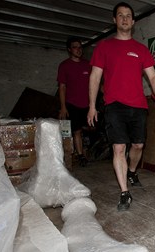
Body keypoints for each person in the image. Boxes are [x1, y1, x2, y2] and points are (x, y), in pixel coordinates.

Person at [87, 2, 155, 211]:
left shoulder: (140, 49)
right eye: (120, 15)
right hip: (114, 105)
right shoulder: (104, 47)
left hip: (138, 105)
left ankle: (132, 171)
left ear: (133, 21)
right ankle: (124, 192)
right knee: (119, 147)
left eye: (128, 15)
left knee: (138, 145)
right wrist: (92, 106)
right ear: (115, 20)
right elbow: (95, 77)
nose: (124, 19)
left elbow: (153, 75)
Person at [57, 36, 91, 167]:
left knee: (89, 128)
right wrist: (63, 107)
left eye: (80, 47)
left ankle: (86, 151)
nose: (78, 49)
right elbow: (62, 87)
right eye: (75, 47)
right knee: (77, 130)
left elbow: (95, 83)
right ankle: (81, 155)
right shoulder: (64, 66)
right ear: (69, 50)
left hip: (88, 104)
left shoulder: (87, 65)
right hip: (72, 103)